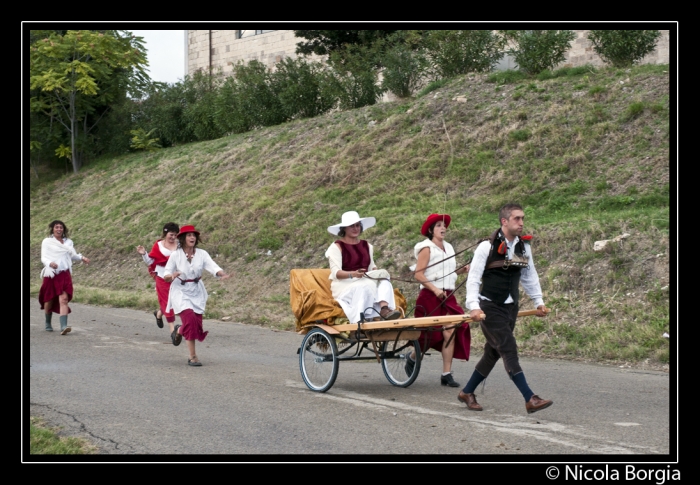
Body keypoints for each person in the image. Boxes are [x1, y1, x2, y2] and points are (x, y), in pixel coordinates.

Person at [458, 203, 553, 414]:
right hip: (489, 306)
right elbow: (473, 279)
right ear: (504, 221)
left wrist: (539, 301)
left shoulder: (522, 246)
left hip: (510, 307)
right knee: (508, 347)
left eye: (522, 218)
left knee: (493, 352)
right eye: (517, 219)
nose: (521, 223)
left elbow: (529, 276)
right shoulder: (487, 247)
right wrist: (473, 306)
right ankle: (530, 398)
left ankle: (467, 392)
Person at [408, 213, 471, 387]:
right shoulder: (426, 248)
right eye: (438, 225)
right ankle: (412, 357)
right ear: (430, 230)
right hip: (429, 297)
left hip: (448, 296)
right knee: (428, 336)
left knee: (450, 331)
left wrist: (460, 271)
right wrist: (435, 290)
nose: (443, 228)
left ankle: (446, 374)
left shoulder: (449, 247)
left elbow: (446, 273)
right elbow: (419, 274)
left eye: (444, 225)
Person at [163, 225, 231, 366]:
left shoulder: (202, 254)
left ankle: (179, 330)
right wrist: (172, 275)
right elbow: (166, 274)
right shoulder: (176, 255)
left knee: (196, 324)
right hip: (180, 291)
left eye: (194, 235)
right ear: (183, 238)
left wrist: (222, 274)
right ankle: (193, 357)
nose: (192, 237)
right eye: (189, 235)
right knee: (190, 321)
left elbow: (213, 266)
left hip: (197, 291)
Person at [325, 211, 401, 325]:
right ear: (344, 228)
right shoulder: (336, 247)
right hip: (344, 285)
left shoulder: (367, 246)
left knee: (384, 279)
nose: (356, 228)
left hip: (365, 279)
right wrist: (353, 274)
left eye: (357, 225)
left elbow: (372, 267)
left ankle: (384, 309)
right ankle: (358, 320)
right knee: (364, 286)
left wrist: (376, 272)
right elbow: (336, 273)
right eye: (352, 226)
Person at [38, 220, 90, 335]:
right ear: (52, 229)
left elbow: (72, 255)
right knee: (49, 299)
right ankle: (48, 322)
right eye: (56, 227)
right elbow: (43, 257)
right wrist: (50, 263)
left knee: (64, 299)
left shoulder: (68, 242)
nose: (59, 229)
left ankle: (63, 327)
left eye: (61, 227)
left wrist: (82, 258)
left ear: (63, 229)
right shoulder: (47, 242)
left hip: (64, 274)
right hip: (51, 273)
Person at [136, 222, 180, 333]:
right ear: (165, 233)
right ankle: (173, 331)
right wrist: (144, 253)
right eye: (171, 234)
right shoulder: (159, 245)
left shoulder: (180, 245)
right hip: (162, 277)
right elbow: (150, 261)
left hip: (176, 278)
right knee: (167, 302)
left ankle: (159, 314)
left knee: (176, 301)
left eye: (175, 235)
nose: (173, 237)